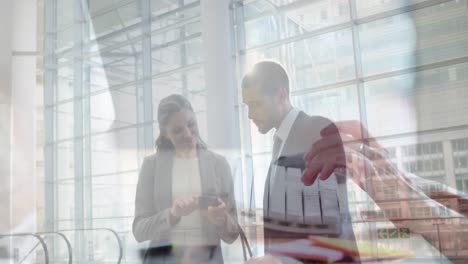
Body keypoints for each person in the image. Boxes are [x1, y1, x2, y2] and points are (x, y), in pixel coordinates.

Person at [241, 61, 358, 263]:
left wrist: (280, 260)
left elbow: (330, 224)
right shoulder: (281, 142)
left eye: (256, 104)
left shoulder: (317, 130)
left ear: (281, 96)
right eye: (247, 106)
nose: (250, 115)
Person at [132, 94, 239, 263]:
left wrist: (222, 219)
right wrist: (172, 214)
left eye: (191, 124)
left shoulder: (219, 164)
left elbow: (233, 233)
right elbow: (139, 230)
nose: (188, 135)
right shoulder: (151, 166)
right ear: (164, 133)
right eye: (177, 130)